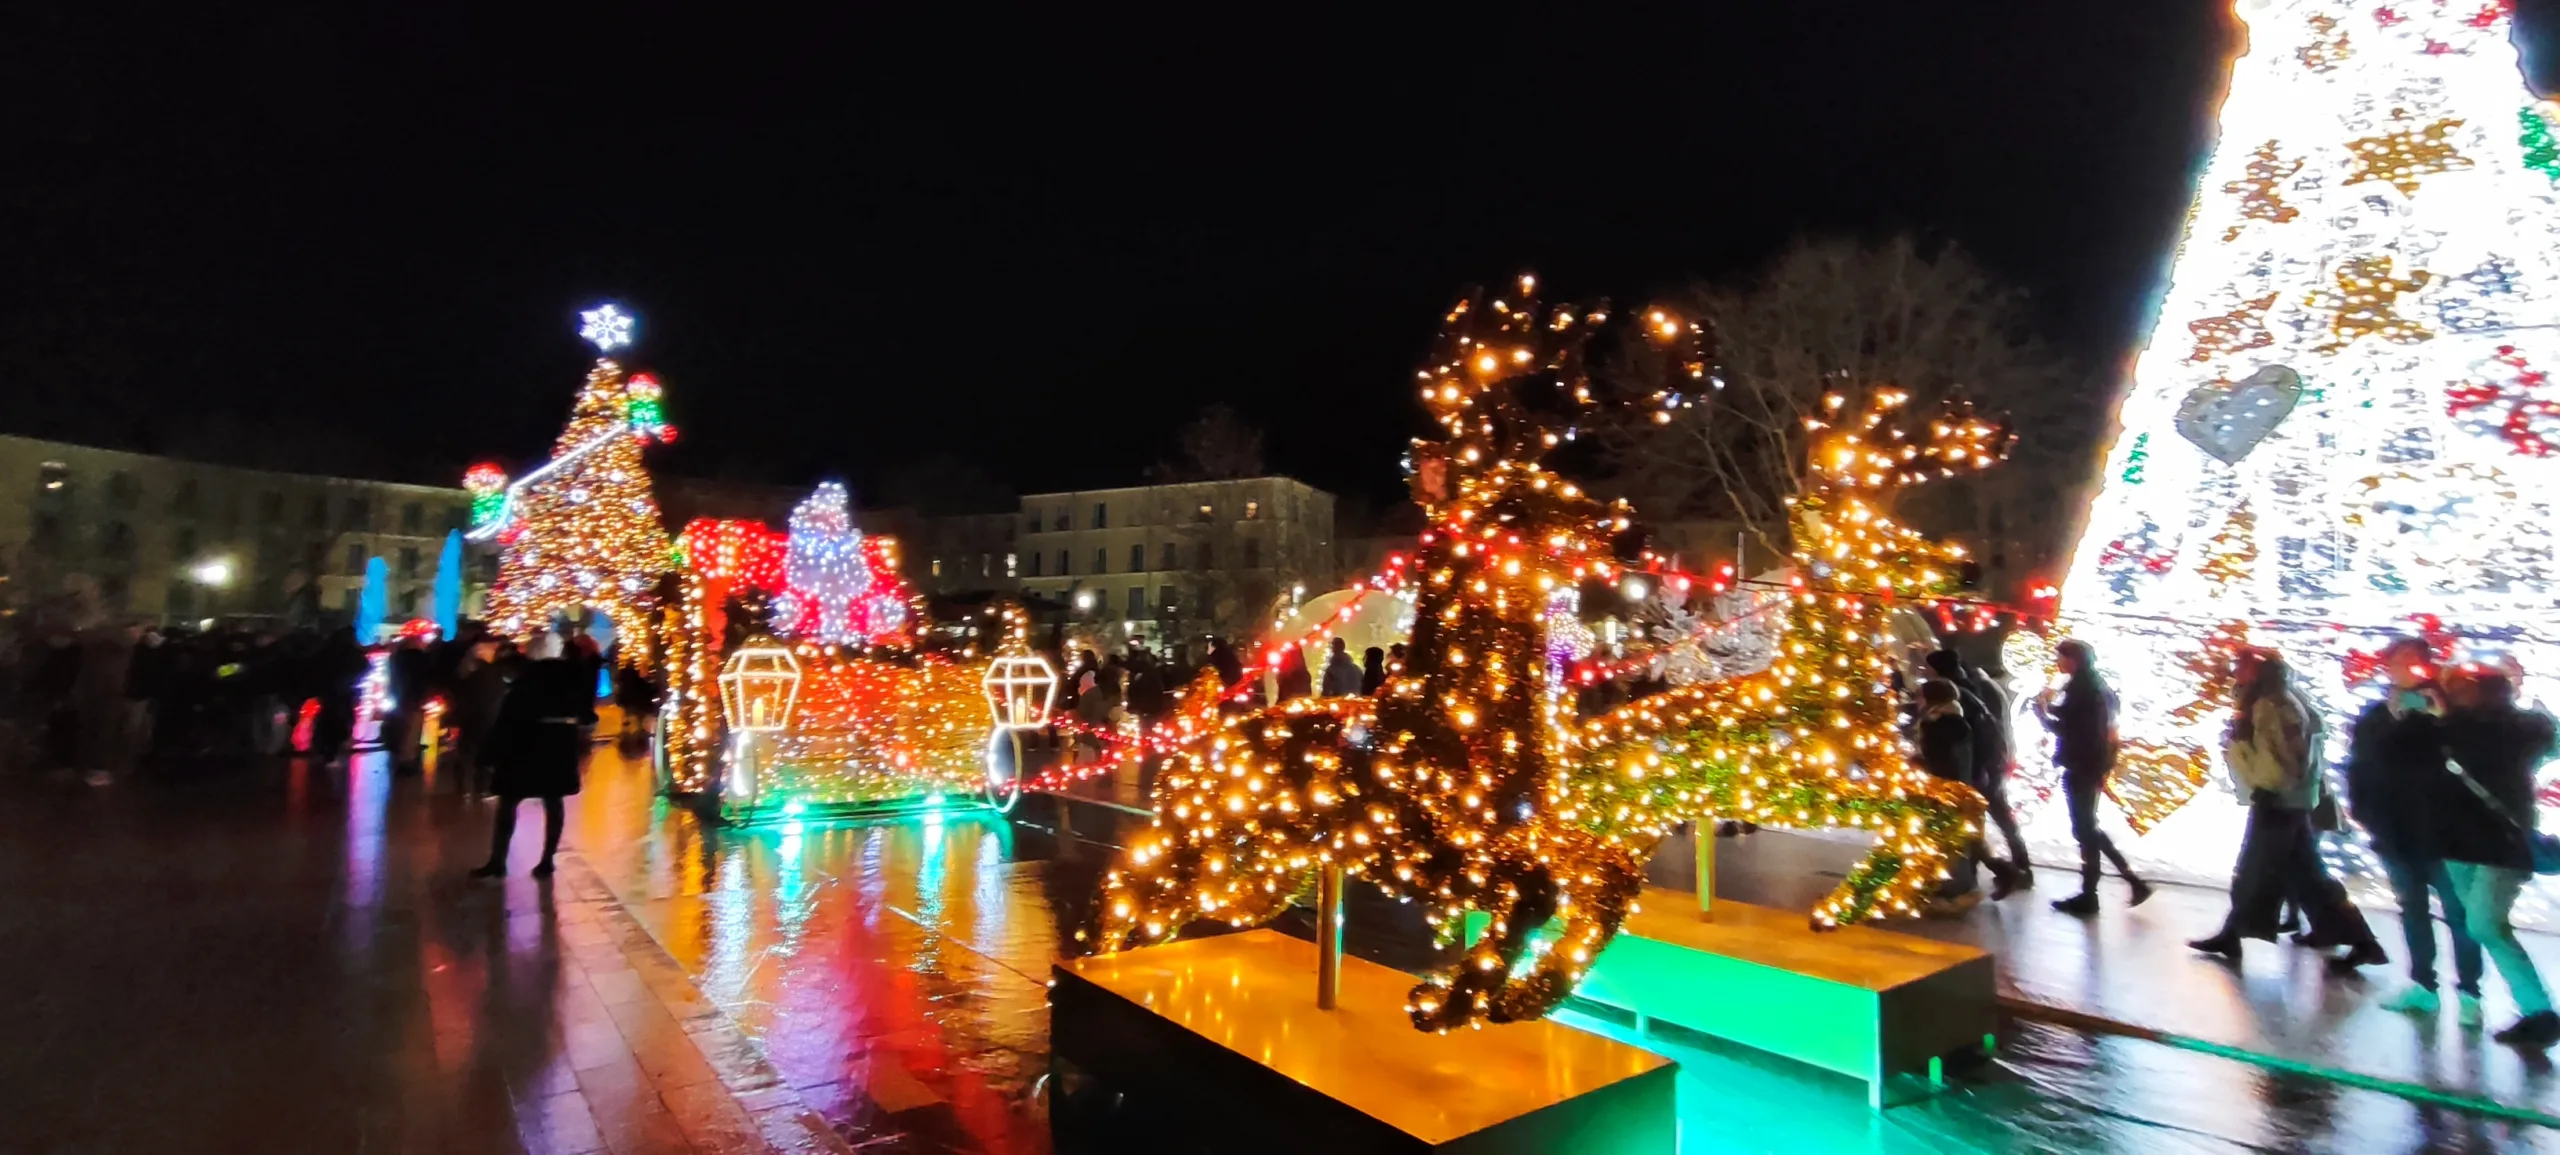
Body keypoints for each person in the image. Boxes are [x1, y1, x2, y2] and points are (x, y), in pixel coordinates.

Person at [2189, 650, 2387, 967]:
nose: (2235, 670)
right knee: (2306, 876)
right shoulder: (2275, 700)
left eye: (2242, 665)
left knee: (2256, 871)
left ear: (2259, 671)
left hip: (2278, 800)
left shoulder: (2272, 705)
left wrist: (2245, 754)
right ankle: (2359, 941)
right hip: (2285, 800)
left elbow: (2281, 759)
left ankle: (2233, 935)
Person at [2345, 637, 2484, 1017]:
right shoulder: (2377, 715)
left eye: (2412, 661)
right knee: (2413, 909)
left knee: (2460, 914)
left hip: (2449, 835)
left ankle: (2471, 992)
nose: (2404, 669)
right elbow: (2361, 763)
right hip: (2395, 832)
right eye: (2396, 662)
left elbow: (2474, 757)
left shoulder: (2452, 712)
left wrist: (2443, 717)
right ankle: (2423, 984)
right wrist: (2363, 812)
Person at [2437, 669, 2559, 1046]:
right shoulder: (2526, 729)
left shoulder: (2458, 728)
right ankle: (2535, 1012)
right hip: (2475, 840)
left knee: (2485, 924)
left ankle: (2540, 1012)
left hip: (2481, 841)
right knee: (2485, 924)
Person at [2034, 639, 2153, 915]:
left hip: (2083, 763)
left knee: (2085, 828)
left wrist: (2042, 714)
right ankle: (2124, 882)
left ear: (2072, 660)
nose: (2057, 663)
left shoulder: (2082, 690)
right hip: (2095, 763)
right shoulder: (2095, 686)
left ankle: (2097, 892)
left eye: (2060, 657)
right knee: (2087, 827)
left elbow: (2070, 728)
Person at [472, 632, 594, 879]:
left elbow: (509, 717)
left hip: (524, 744)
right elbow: (585, 712)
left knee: (509, 802)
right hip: (559, 745)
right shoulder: (574, 676)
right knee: (553, 801)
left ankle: (498, 860)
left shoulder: (525, 678)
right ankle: (547, 859)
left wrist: (490, 753)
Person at [1929, 648, 2033, 897]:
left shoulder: (1958, 695)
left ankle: (1999, 872)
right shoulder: (1973, 686)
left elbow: (1967, 737)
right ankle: (2013, 869)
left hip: (1979, 769)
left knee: (1976, 823)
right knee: (1987, 820)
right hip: (1987, 766)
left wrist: (1977, 770)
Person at [1913, 680, 1983, 915]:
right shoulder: (1948, 720)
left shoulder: (1944, 724)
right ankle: (1951, 887)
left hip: (1947, 790)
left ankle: (1955, 890)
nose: (1918, 700)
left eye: (1921, 696)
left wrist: (1918, 762)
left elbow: (1941, 759)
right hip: (1951, 788)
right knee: (1950, 839)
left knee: (1950, 841)